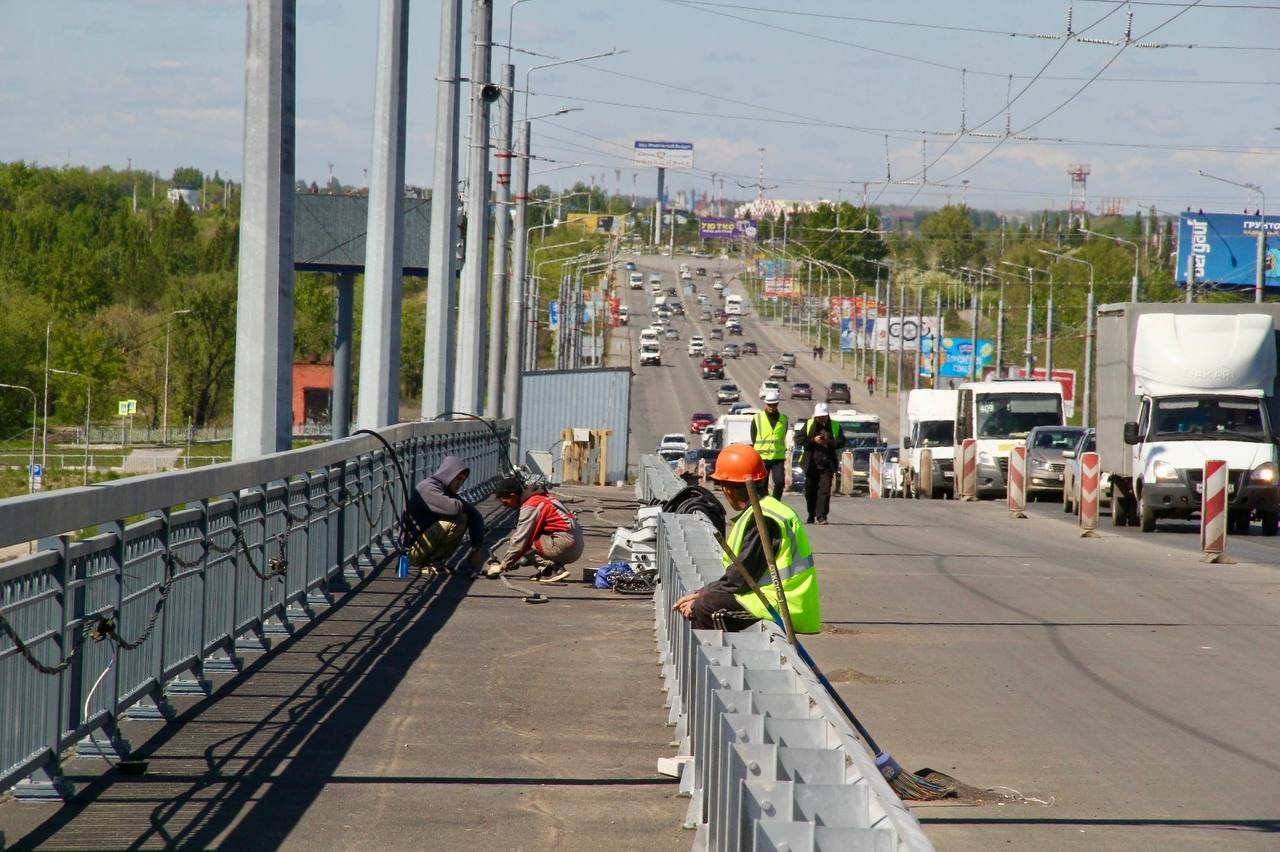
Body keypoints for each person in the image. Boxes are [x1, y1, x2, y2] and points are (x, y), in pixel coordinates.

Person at [670, 444, 820, 633]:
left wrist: (700, 595)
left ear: (727, 489)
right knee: (707, 600)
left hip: (782, 606)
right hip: (780, 600)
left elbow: (740, 578)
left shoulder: (763, 519)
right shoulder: (771, 509)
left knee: (706, 607)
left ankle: (717, 660)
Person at [484, 475, 584, 583]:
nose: (506, 507)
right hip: (576, 545)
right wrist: (515, 560)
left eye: (505, 502)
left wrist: (502, 565)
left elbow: (520, 540)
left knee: (521, 540)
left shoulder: (531, 505)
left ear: (513, 496)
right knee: (527, 544)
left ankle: (552, 569)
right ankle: (551, 568)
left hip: (565, 544)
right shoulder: (544, 497)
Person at [400, 455, 487, 575]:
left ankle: (435, 562)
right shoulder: (428, 488)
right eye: (458, 479)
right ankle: (428, 563)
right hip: (413, 551)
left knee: (465, 516)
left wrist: (475, 549)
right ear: (448, 474)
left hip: (422, 547)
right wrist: (463, 505)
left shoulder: (445, 490)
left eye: (463, 480)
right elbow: (454, 509)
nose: (460, 484)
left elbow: (475, 515)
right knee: (457, 519)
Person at [800, 402, 842, 525]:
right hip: (811, 464)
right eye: (819, 417)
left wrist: (828, 442)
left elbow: (841, 442)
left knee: (824, 491)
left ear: (827, 415)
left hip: (827, 465)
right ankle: (811, 514)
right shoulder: (808, 425)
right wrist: (813, 440)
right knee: (810, 491)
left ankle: (821, 516)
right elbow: (799, 439)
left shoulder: (835, 425)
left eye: (823, 416)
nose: (821, 419)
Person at [750, 390, 789, 499]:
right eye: (769, 404)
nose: (772, 407)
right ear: (766, 404)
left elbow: (782, 435)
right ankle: (764, 504)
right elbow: (754, 437)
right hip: (762, 458)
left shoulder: (784, 419)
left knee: (780, 482)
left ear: (778, 404)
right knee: (762, 485)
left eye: (774, 404)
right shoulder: (757, 418)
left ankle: (776, 503)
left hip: (778, 457)